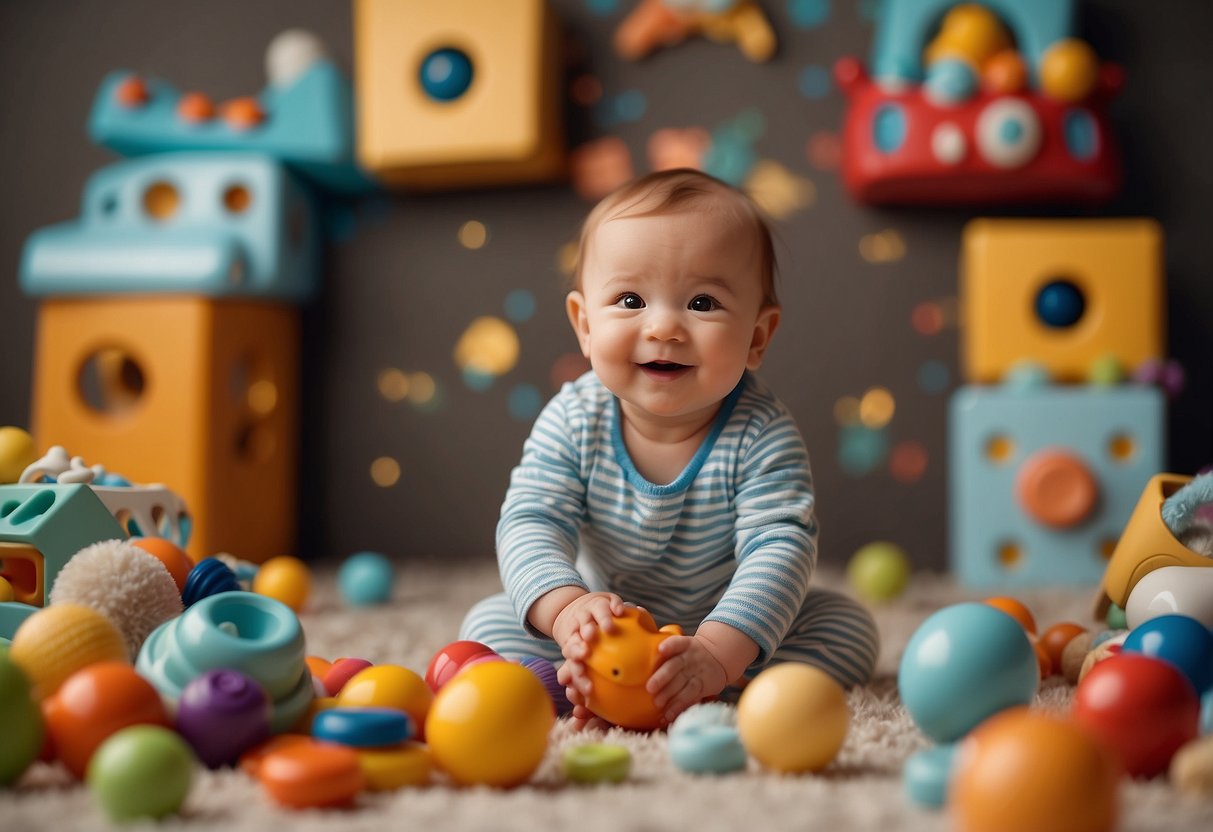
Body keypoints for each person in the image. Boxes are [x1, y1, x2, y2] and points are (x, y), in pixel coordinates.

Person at [460, 168, 879, 729]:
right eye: (631, 299)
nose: (664, 327)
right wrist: (567, 611)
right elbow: (531, 519)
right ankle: (591, 679)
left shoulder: (760, 433)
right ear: (585, 326)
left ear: (757, 337)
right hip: (602, 621)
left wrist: (716, 654)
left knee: (849, 629)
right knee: (486, 625)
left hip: (722, 619)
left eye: (702, 303)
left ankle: (698, 686)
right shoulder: (575, 417)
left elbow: (778, 547)